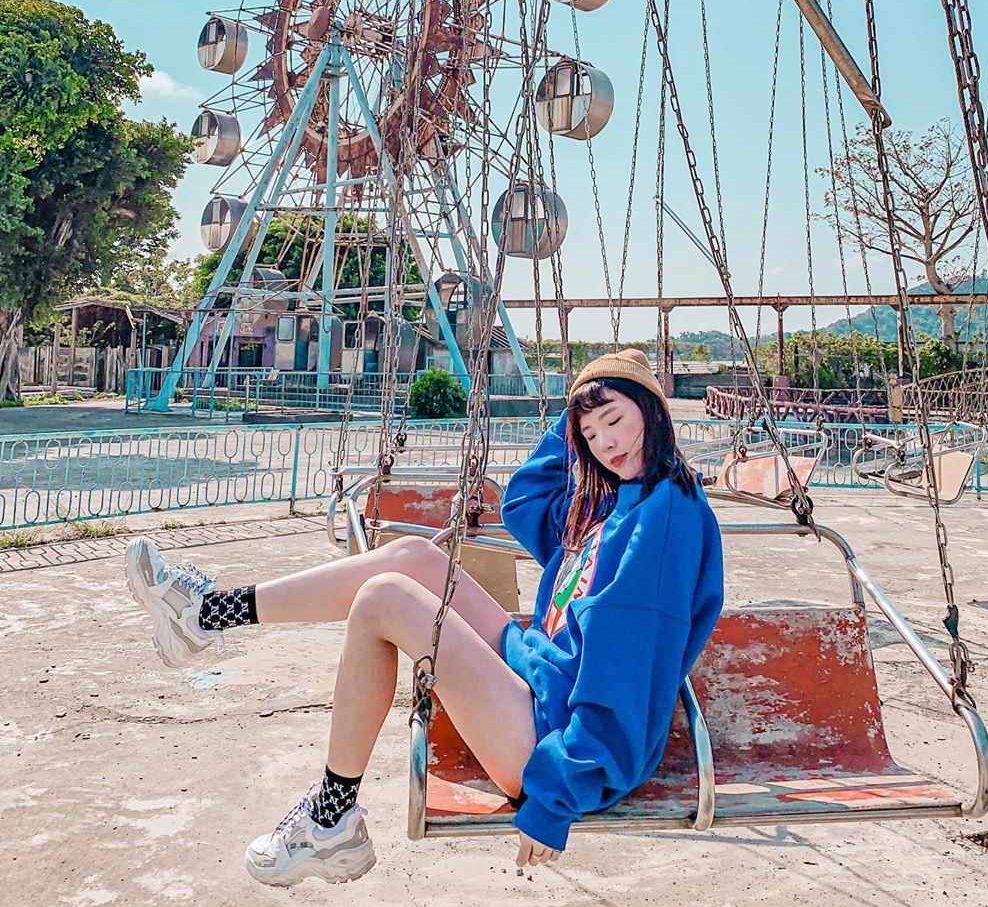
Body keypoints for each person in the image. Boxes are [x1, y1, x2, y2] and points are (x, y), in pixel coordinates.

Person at [124, 348, 724, 887]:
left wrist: (556, 796)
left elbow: (625, 665)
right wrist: (583, 405)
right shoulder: (613, 495)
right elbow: (524, 500)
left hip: (553, 737)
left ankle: (332, 820)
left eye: (615, 420)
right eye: (589, 435)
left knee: (385, 598)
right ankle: (207, 614)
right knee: (413, 557)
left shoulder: (664, 517)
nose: (605, 444)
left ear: (653, 412)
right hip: (539, 675)